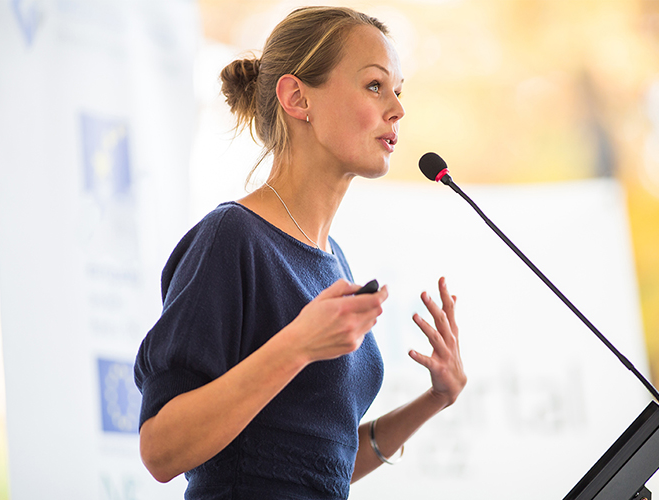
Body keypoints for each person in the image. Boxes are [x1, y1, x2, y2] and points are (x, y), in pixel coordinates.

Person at [134, 6, 466, 499]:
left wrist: (436, 399)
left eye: (399, 90)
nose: (397, 108)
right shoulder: (232, 239)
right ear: (296, 97)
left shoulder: (333, 259)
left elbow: (318, 465)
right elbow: (161, 449)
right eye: (375, 86)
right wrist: (297, 346)